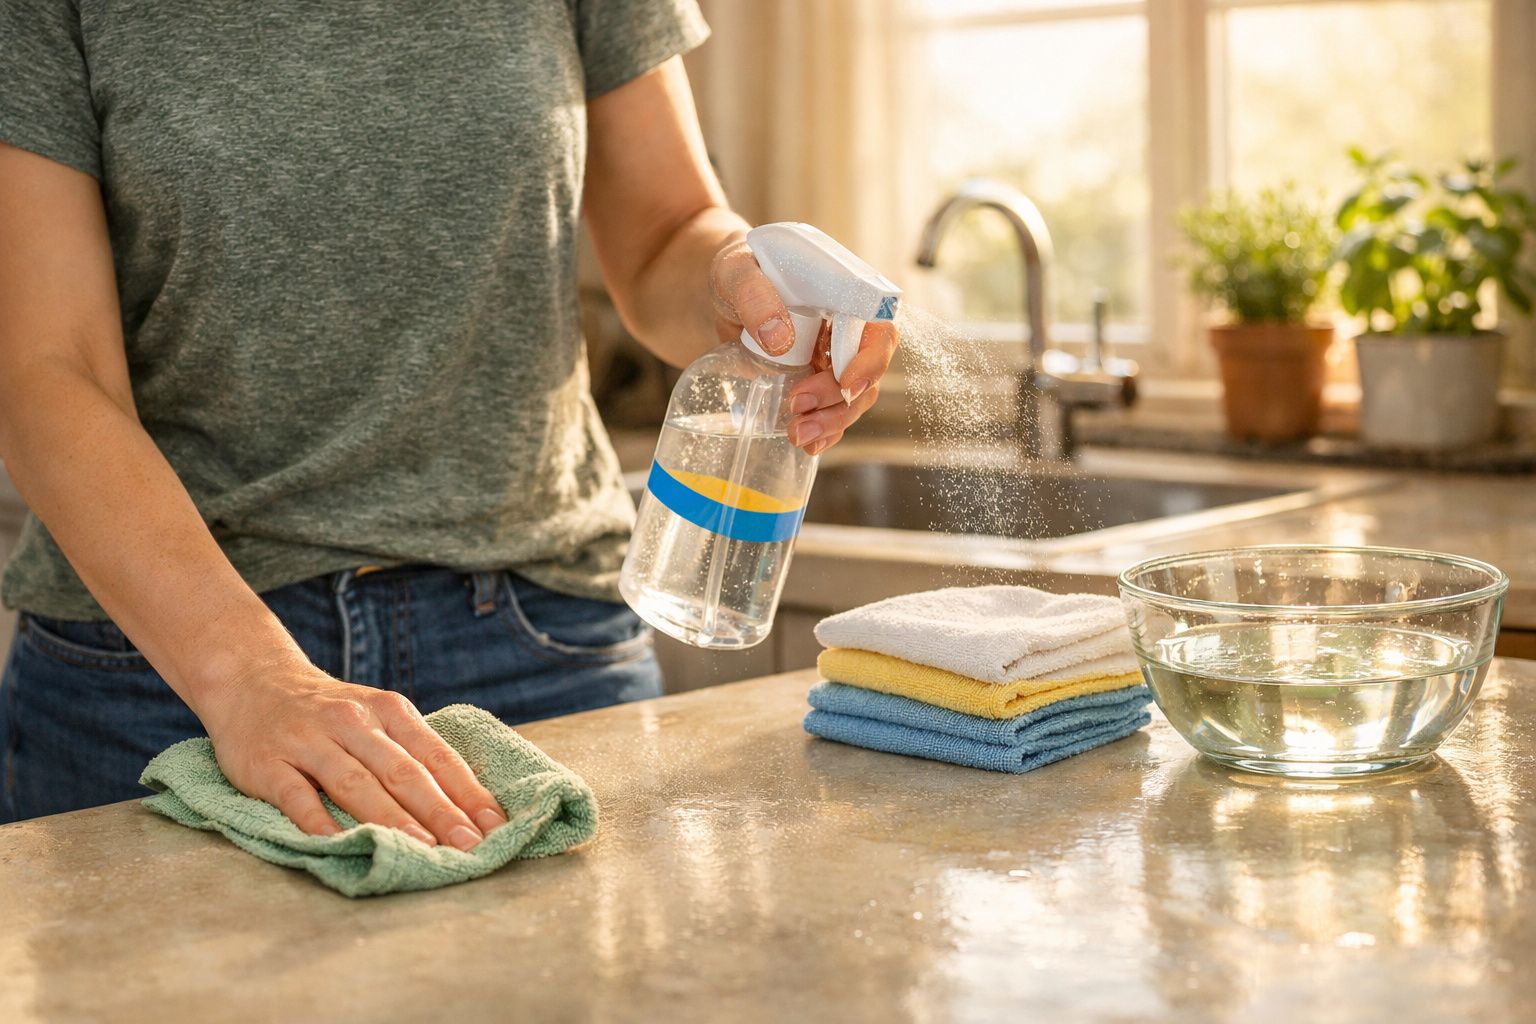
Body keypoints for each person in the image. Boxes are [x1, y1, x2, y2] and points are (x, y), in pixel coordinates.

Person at [0, 1, 898, 843]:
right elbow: (47, 368)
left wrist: (744, 281)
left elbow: (668, 232)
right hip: (163, 667)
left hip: (537, 642)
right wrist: (248, 676)